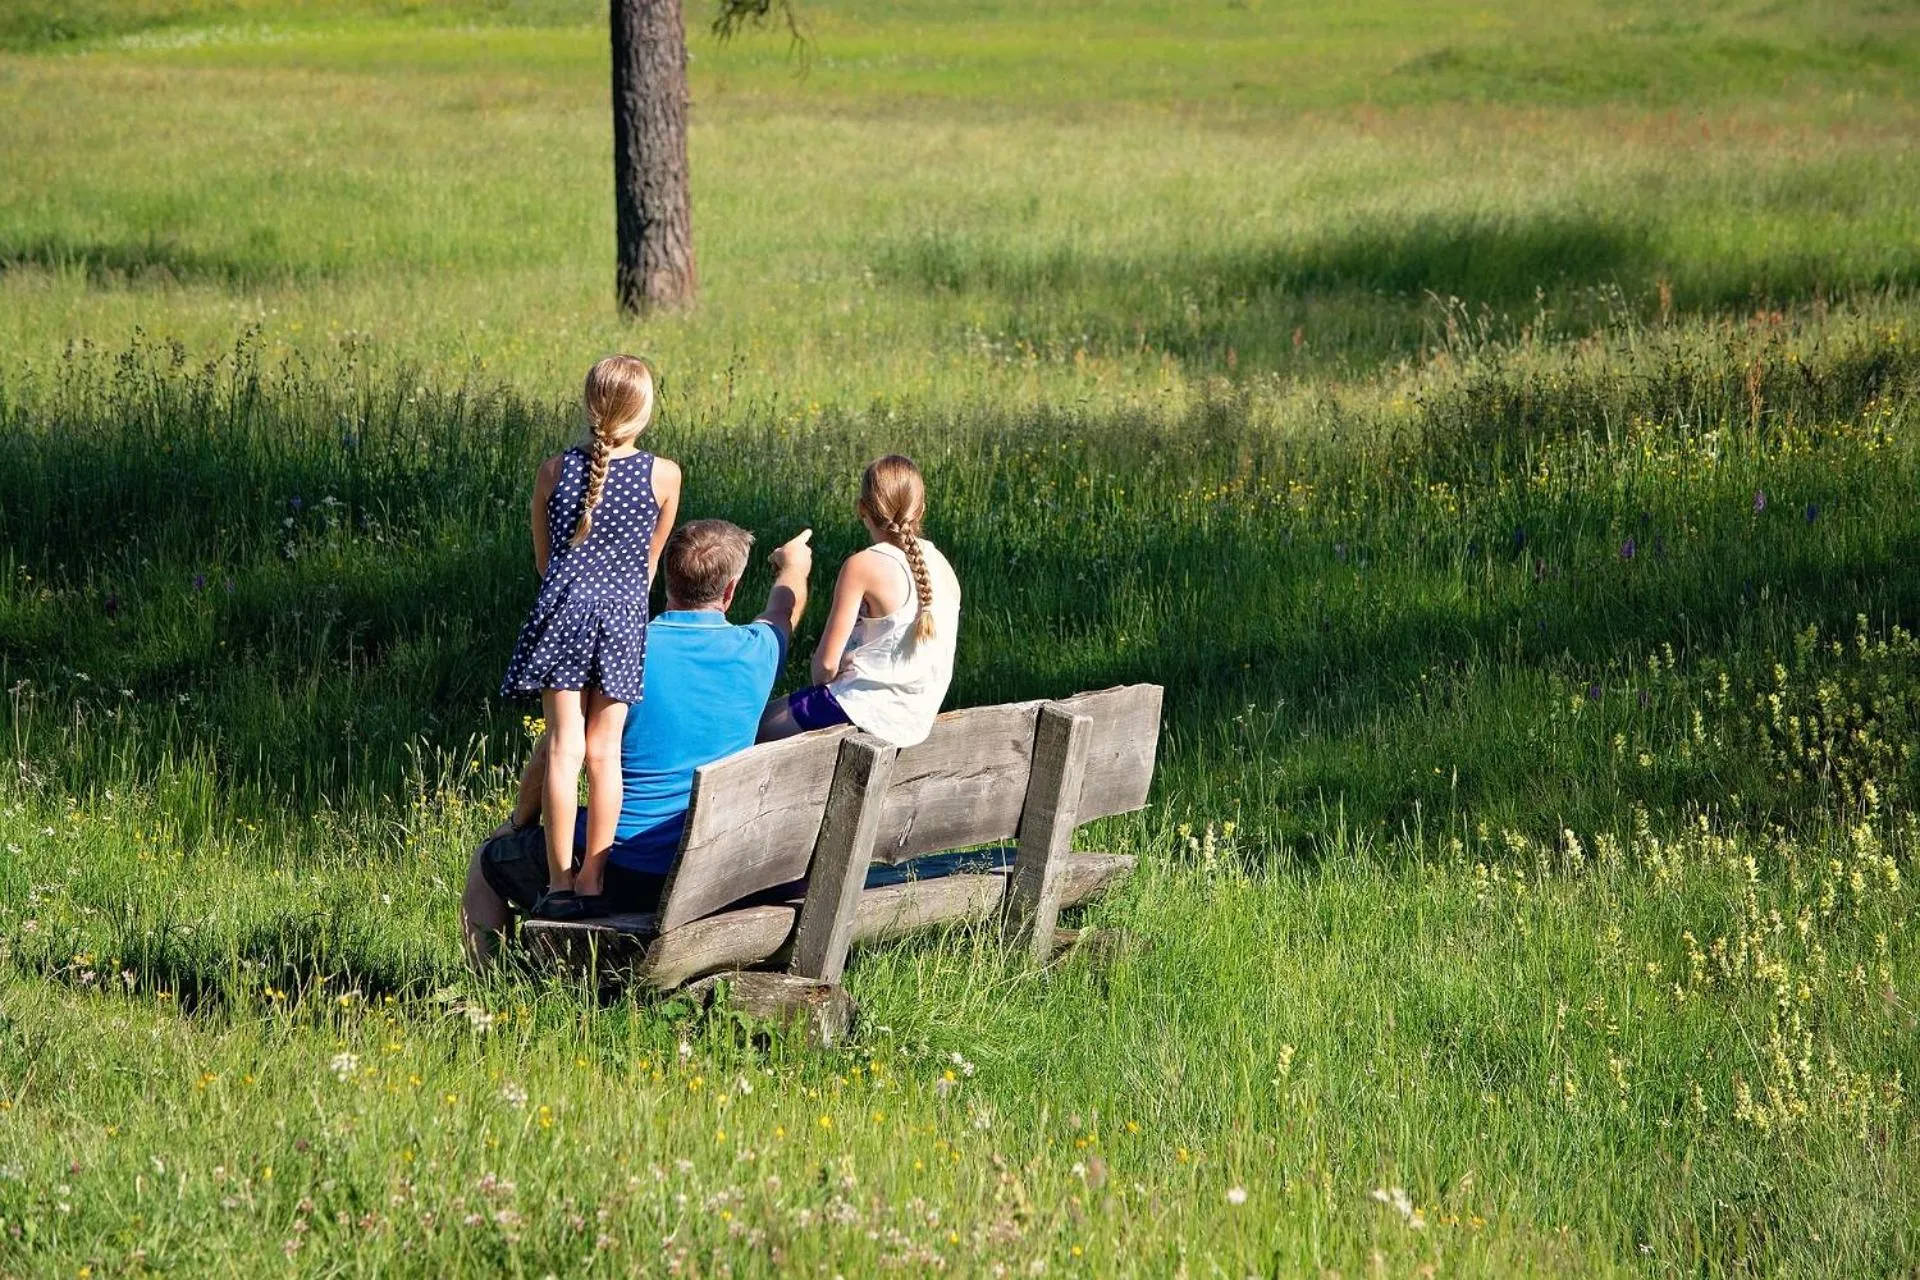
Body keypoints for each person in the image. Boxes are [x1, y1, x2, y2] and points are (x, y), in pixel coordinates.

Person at [462, 519, 812, 965]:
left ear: (666, 575)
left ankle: (491, 985)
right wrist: (793, 566)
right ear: (730, 591)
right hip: (715, 865)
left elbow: (556, 748)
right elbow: (784, 611)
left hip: (622, 866)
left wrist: (518, 822)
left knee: (489, 863)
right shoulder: (757, 650)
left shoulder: (623, 652)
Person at [497, 355, 681, 921]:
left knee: (562, 749)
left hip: (563, 613)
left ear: (588, 404)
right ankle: (594, 876)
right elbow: (650, 565)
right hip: (622, 617)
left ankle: (558, 883)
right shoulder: (664, 475)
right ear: (644, 412)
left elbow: (543, 561)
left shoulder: (554, 471)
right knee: (605, 755)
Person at [759, 454, 961, 748]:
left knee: (751, 728)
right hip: (914, 719)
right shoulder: (942, 565)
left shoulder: (863, 565)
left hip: (861, 708)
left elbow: (824, 668)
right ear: (922, 510)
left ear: (861, 508)